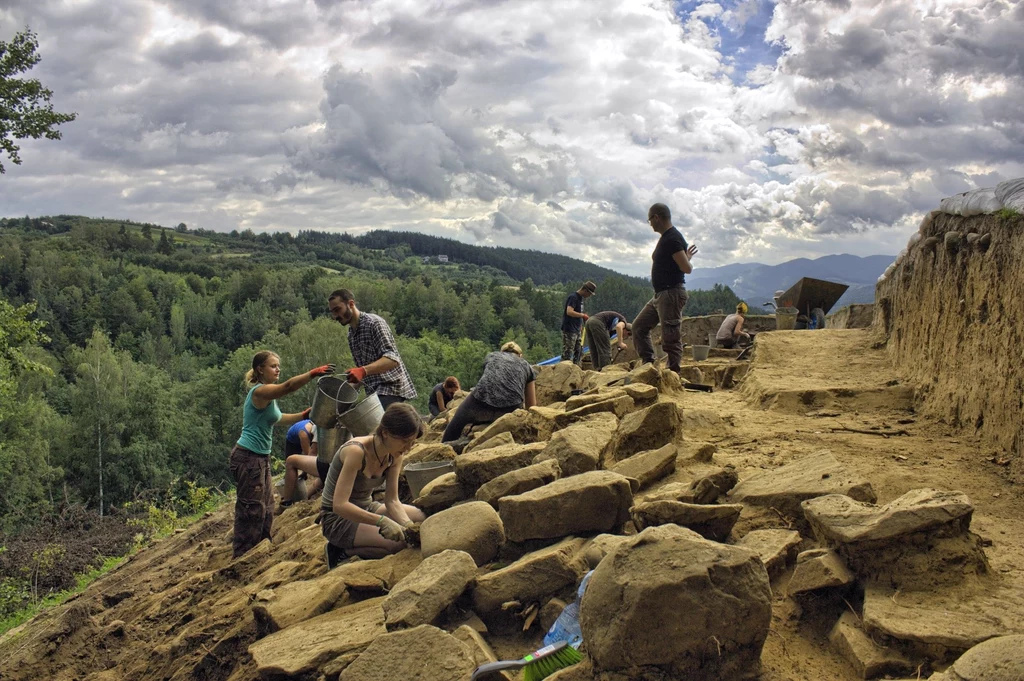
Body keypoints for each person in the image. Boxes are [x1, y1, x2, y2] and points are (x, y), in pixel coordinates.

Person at [230, 351, 335, 558]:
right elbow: (287, 387)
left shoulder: (267, 397)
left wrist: (304, 415)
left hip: (259, 458)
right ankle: (243, 555)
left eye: (279, 366)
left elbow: (278, 418)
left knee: (267, 505)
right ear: (260, 369)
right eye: (273, 366)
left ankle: (261, 548)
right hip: (248, 457)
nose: (278, 369)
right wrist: (312, 374)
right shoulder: (260, 392)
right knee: (251, 508)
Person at [320, 402, 427, 568]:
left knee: (422, 518)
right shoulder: (356, 452)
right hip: (337, 519)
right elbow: (339, 505)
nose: (408, 448)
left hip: (366, 507)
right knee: (396, 545)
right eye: (405, 441)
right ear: (385, 433)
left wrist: (408, 526)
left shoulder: (394, 455)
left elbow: (391, 501)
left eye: (412, 442)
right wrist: (382, 521)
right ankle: (340, 552)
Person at [632, 203, 698, 373]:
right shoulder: (669, 238)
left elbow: (687, 269)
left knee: (670, 337)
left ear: (656, 217)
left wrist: (687, 259)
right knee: (639, 326)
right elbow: (680, 262)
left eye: (650, 220)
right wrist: (687, 257)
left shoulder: (672, 238)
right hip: (661, 294)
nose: (651, 224)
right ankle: (649, 366)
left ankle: (673, 375)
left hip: (671, 293)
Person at [328, 289, 417, 408]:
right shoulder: (351, 335)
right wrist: (344, 395)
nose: (335, 316)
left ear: (351, 304)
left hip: (391, 387)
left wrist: (362, 370)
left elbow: (392, 360)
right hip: (374, 393)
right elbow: (362, 375)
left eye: (337, 310)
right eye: (332, 312)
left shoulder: (374, 323)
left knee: (377, 425)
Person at [442, 342, 537, 443]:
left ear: (501, 352)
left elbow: (488, 380)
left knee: (457, 420)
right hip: (510, 408)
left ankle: (444, 446)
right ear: (520, 355)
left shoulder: (492, 356)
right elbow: (531, 405)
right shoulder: (526, 366)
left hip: (480, 403)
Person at [276, 419, 321, 515]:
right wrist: (305, 471)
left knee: (291, 462)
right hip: (292, 442)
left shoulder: (320, 425)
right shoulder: (304, 434)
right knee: (292, 462)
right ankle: (298, 498)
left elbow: (312, 454)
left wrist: (307, 470)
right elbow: (308, 454)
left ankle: (290, 501)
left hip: (331, 467)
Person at [561, 281, 597, 365]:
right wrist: (583, 315)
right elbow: (569, 311)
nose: (589, 296)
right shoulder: (573, 297)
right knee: (568, 351)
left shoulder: (580, 299)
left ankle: (576, 368)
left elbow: (578, 312)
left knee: (579, 351)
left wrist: (580, 324)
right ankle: (563, 369)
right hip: (569, 329)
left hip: (576, 328)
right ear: (585, 290)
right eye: (589, 294)